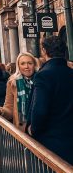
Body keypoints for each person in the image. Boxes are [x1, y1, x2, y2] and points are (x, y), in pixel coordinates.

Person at [27, 35, 73, 164]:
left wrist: (32, 129)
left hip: (50, 141)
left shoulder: (44, 75)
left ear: (44, 51)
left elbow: (40, 110)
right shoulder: (70, 73)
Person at [0, 52, 38, 130]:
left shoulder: (41, 80)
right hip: (22, 130)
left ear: (34, 65)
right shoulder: (13, 82)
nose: (26, 66)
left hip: (39, 128)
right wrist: (0, 111)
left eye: (30, 63)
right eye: (23, 63)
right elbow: (9, 108)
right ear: (18, 66)